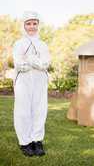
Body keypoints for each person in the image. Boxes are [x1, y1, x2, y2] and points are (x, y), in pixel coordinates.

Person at [12, 11, 51, 156]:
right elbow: (20, 65)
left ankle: (37, 141)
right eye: (28, 23)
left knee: (39, 110)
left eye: (34, 23)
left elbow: (46, 64)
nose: (32, 27)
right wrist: (36, 61)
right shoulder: (18, 44)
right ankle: (25, 142)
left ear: (38, 25)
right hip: (23, 81)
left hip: (40, 80)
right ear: (24, 25)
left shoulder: (43, 45)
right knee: (23, 111)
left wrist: (30, 59)